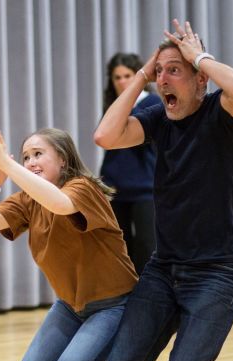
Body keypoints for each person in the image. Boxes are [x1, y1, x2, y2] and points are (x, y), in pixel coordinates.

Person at [94, 19, 233, 361]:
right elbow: (105, 137)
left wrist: (198, 57)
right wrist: (141, 76)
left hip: (217, 271)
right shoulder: (158, 119)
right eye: (160, 72)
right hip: (163, 269)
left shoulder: (221, 113)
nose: (163, 79)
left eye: (175, 71)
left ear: (200, 78)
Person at [0, 124, 138, 361]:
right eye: (25, 157)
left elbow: (60, 204)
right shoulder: (28, 199)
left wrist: (8, 165)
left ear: (62, 158)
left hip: (113, 306)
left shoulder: (84, 187)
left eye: (38, 154)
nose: (30, 162)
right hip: (69, 307)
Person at [100, 52, 163, 274]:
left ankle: (148, 296)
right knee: (120, 246)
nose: (122, 81)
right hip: (116, 188)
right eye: (117, 77)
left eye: (127, 76)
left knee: (147, 245)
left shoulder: (152, 102)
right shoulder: (113, 106)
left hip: (145, 188)